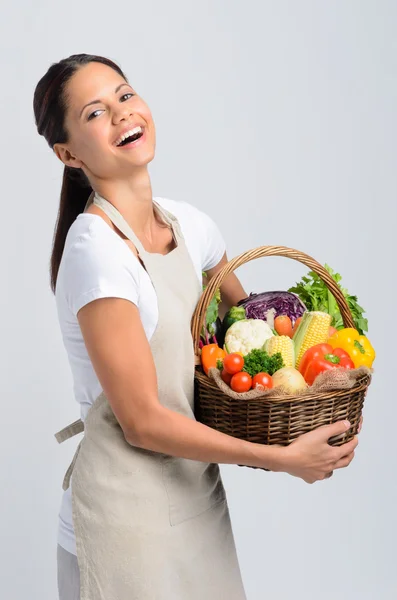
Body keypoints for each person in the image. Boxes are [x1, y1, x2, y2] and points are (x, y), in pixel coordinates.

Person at [33, 53, 359, 600]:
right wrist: (283, 459)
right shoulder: (96, 252)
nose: (120, 114)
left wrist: (308, 385)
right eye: (94, 112)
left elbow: (252, 332)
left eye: (125, 94)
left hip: (195, 501)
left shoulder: (190, 226)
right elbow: (141, 423)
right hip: (123, 523)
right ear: (67, 153)